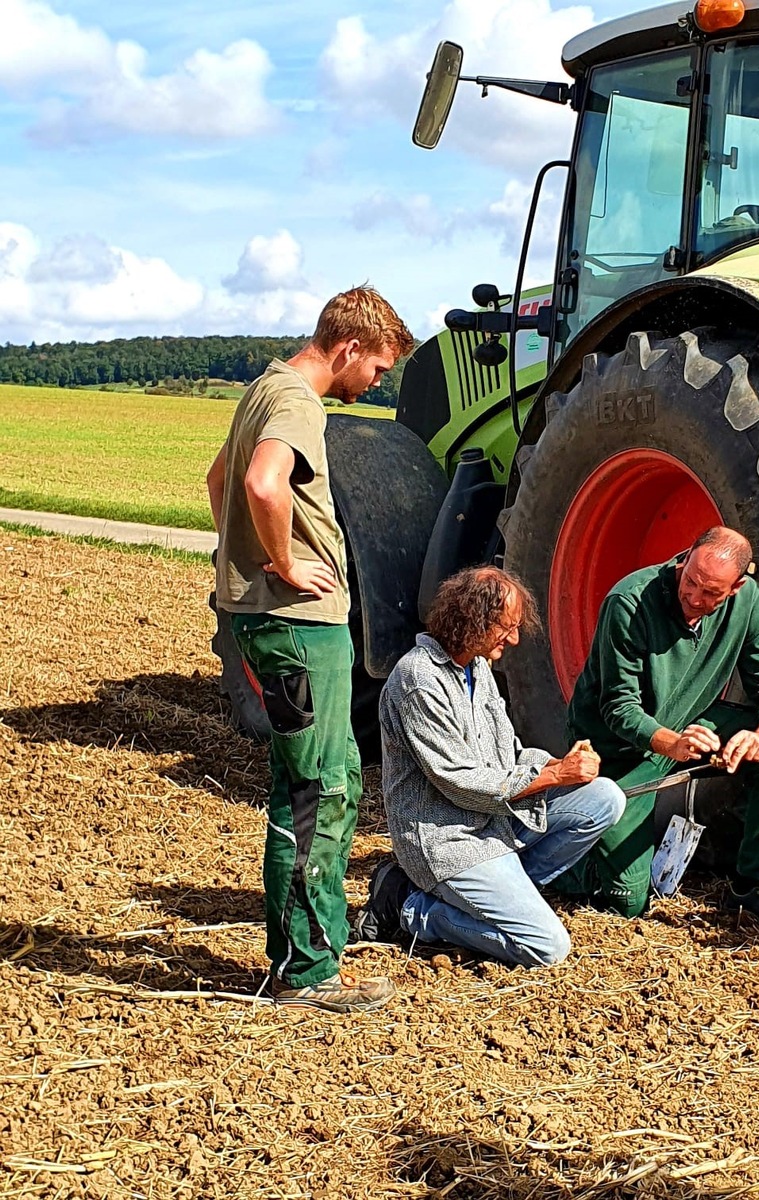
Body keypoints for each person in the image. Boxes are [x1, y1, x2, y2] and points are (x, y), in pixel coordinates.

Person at [206, 285, 414, 1013]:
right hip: (299, 622)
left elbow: (219, 479)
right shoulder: (297, 400)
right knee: (314, 791)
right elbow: (261, 482)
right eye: (378, 369)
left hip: (273, 618)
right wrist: (286, 565)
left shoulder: (263, 387)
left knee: (329, 776)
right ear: (349, 347)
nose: (376, 384)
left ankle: (316, 950)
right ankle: (303, 975)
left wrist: (239, 563)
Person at [358, 566, 626, 967]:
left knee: (604, 797)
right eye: (506, 627)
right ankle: (411, 907)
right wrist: (553, 776)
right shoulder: (418, 680)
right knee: (548, 949)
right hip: (449, 840)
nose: (514, 638)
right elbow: (459, 782)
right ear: (472, 620)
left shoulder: (477, 667)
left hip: (494, 824)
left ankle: (503, 899)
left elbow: (508, 753)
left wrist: (559, 763)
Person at [560, 527, 759, 928]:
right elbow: (618, 707)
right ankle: (561, 863)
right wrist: (672, 743)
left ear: (736, 587)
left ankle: (753, 885)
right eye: (691, 581)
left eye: (712, 593)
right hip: (622, 750)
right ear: (686, 557)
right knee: (626, 903)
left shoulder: (750, 604)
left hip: (694, 725)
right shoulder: (629, 601)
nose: (695, 597)